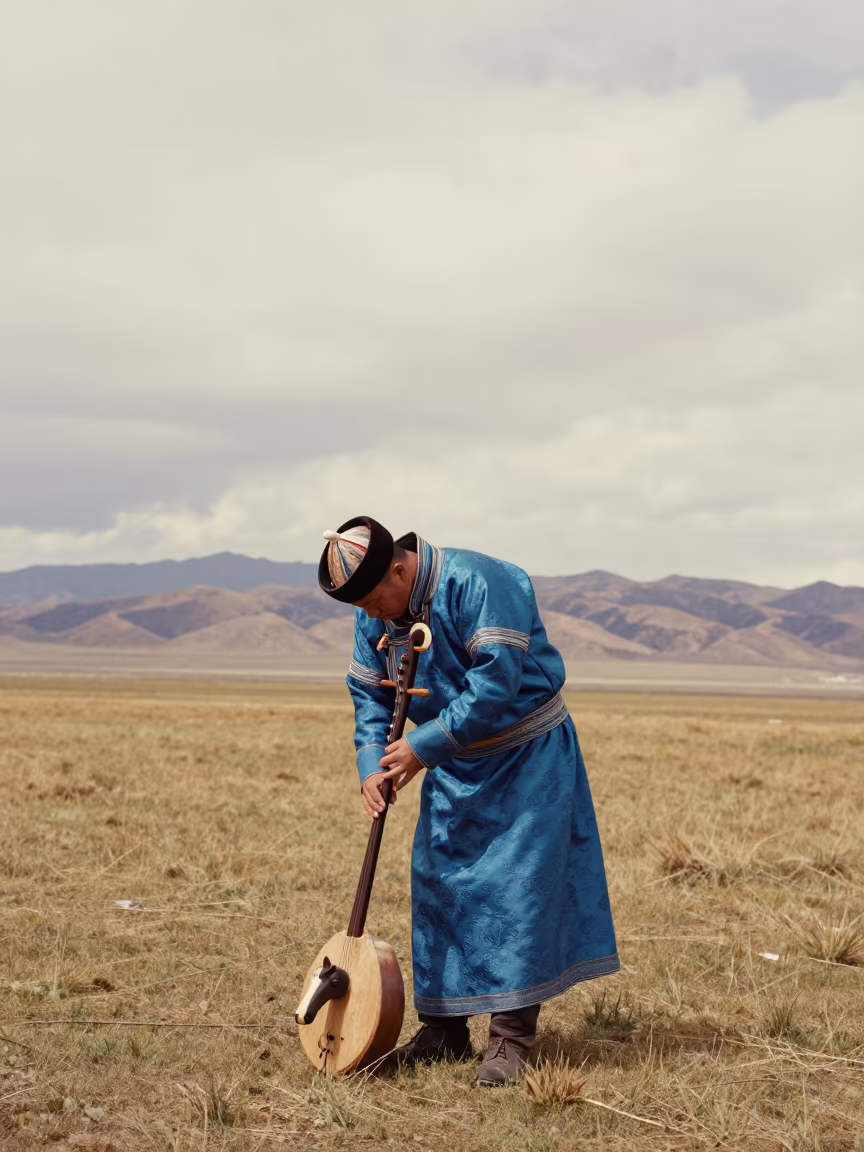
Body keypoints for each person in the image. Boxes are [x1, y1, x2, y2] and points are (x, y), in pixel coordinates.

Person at [318, 516, 619, 1086]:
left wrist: (423, 747)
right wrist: (370, 765)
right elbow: (369, 694)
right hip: (454, 764)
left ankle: (510, 1039)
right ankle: (444, 1029)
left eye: (377, 600)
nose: (374, 616)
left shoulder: (480, 582)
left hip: (527, 757)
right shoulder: (374, 612)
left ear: (401, 569)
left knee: (516, 892)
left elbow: (496, 685)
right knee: (439, 885)